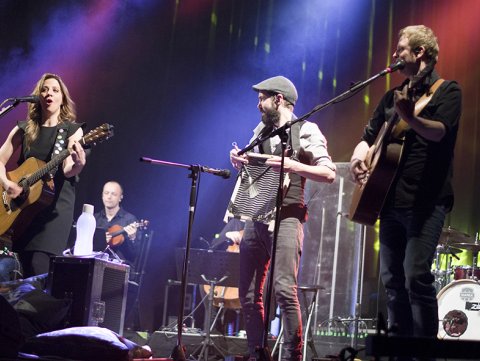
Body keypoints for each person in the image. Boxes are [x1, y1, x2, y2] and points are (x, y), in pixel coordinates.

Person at [349, 25, 461, 345]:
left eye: (401, 49)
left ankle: (425, 350)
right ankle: (399, 348)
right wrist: (360, 158)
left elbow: (439, 132)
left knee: (416, 277)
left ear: (419, 53)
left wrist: (410, 119)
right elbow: (367, 137)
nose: (396, 55)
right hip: (388, 198)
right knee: (392, 280)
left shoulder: (447, 91)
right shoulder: (391, 96)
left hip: (426, 201)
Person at [230, 76, 336, 361]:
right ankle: (257, 353)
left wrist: (293, 164)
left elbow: (328, 173)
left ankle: (292, 356)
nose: (258, 104)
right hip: (256, 218)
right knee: (249, 294)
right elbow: (251, 165)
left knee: (284, 290)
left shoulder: (306, 130)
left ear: (278, 99)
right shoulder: (260, 131)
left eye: (262, 98)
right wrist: (239, 159)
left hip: (288, 217)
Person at [0, 73, 86, 278]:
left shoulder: (73, 131)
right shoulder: (24, 129)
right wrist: (6, 183)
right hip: (23, 211)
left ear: (63, 98)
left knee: (39, 269)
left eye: (55, 90)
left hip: (53, 213)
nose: (49, 94)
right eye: (45, 89)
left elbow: (67, 170)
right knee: (17, 271)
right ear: (37, 97)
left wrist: (79, 164)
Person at [93, 181, 139, 266]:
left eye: (114, 194)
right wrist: (100, 242)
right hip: (95, 264)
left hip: (118, 266)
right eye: (106, 193)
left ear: (120, 197)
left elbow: (133, 256)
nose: (109, 197)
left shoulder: (130, 219)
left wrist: (132, 238)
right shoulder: (94, 218)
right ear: (102, 195)